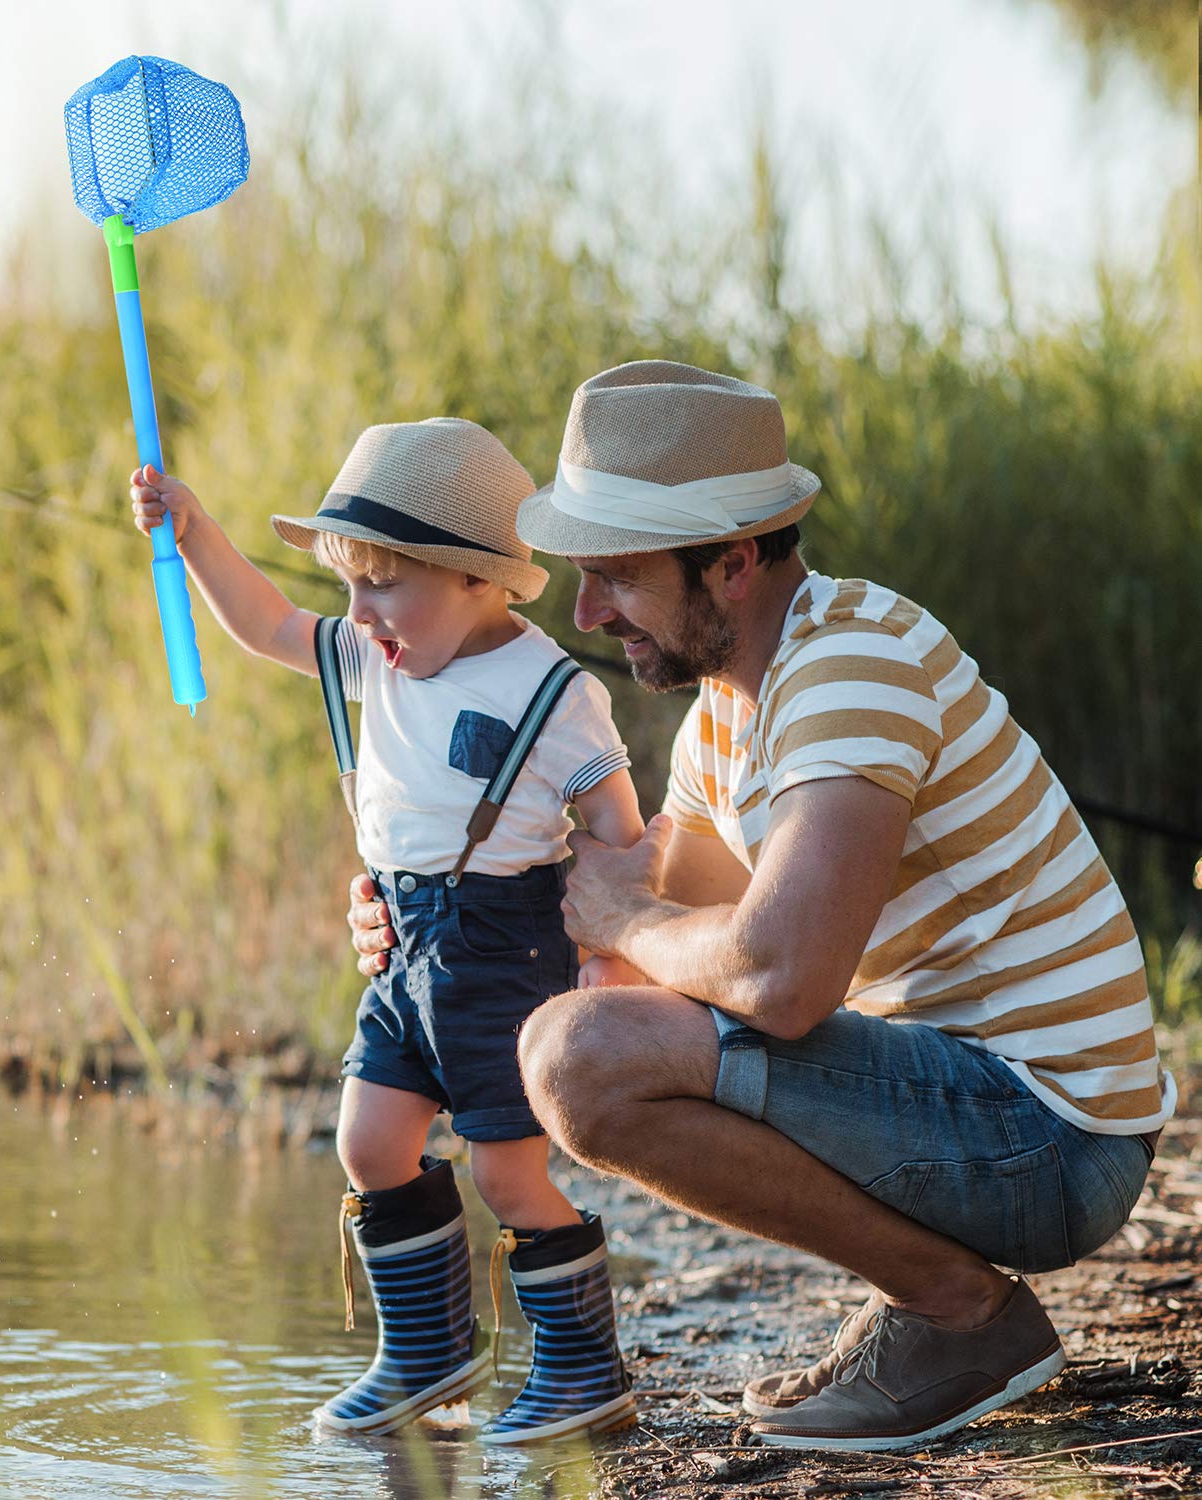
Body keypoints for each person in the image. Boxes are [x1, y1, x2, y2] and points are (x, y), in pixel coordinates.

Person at [348, 361, 1174, 1453]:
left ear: (733, 562)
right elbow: (650, 965)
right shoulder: (724, 723)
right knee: (582, 1044)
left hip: (1055, 1139)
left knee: (576, 1061)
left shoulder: (851, 669)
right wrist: (428, 920)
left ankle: (958, 1312)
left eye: (618, 578)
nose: (587, 611)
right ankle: (935, 1301)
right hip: (973, 1100)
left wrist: (622, 924)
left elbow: (776, 980)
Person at [129, 415, 646, 1444]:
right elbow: (270, 623)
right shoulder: (375, 660)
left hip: (508, 955)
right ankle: (429, 1356)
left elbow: (619, 839)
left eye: (381, 582)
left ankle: (585, 1368)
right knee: (369, 1141)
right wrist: (191, 534)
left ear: (475, 579)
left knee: (506, 1171)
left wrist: (610, 966)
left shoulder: (553, 693)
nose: (358, 612)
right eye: (348, 583)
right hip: (406, 951)